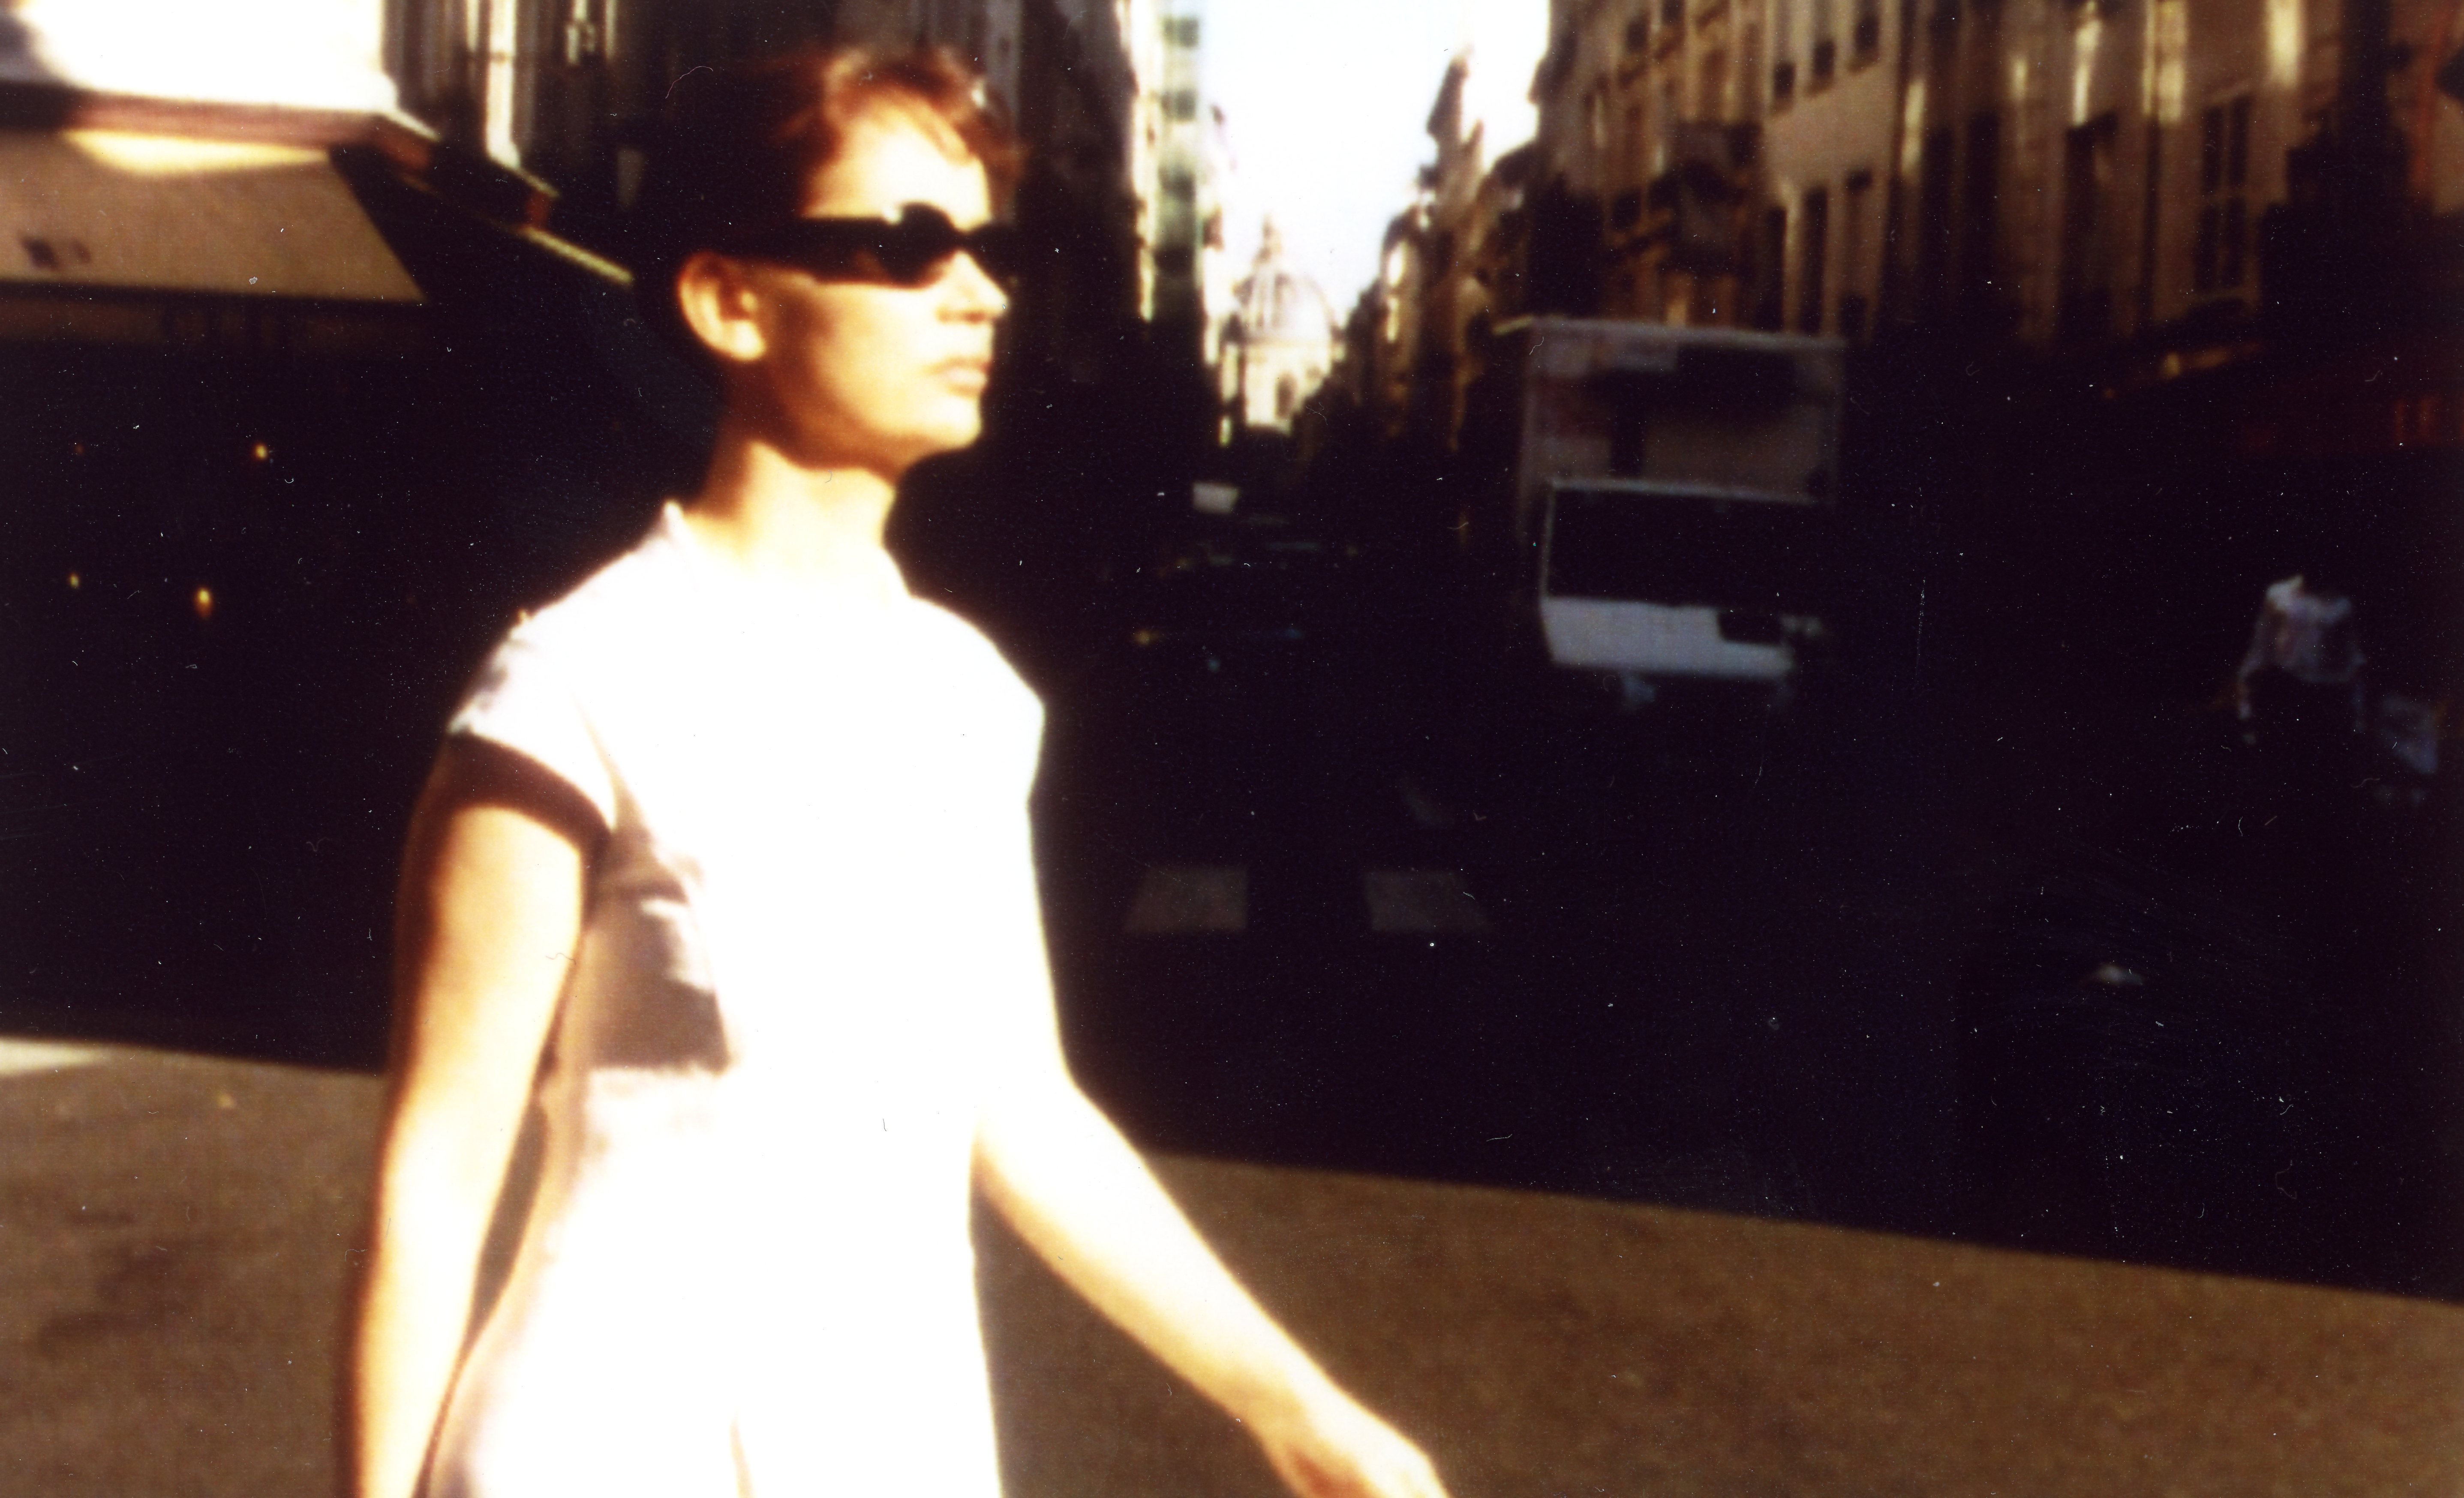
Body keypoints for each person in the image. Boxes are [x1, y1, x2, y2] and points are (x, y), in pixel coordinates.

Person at [346, 47, 1449, 1498]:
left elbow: (1026, 1115)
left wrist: (1299, 1411)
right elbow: (434, 1180)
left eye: (986, 249)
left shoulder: (963, 695)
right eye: (908, 245)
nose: (978, 294)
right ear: (730, 301)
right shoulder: (576, 684)